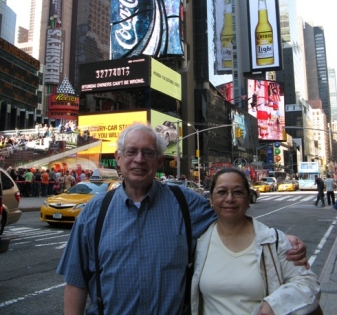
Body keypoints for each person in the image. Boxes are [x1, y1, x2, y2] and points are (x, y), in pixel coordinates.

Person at [57, 123, 308, 315]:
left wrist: (280, 240)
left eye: (148, 153)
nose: (139, 159)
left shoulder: (185, 203)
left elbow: (231, 218)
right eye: (131, 152)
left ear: (159, 160)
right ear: (119, 158)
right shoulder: (94, 212)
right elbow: (76, 282)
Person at [191, 168, 320, 315]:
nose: (229, 199)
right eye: (221, 192)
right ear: (211, 200)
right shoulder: (199, 243)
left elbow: (308, 283)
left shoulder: (274, 242)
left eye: (238, 192)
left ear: (248, 199)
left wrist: (275, 304)